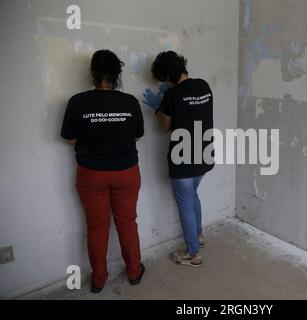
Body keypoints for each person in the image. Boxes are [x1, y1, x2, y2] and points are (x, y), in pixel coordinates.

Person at [61, 50, 145, 293]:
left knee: (96, 228)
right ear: (117, 74)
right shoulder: (130, 102)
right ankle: (134, 272)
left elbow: (68, 138)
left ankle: (98, 280)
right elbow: (137, 135)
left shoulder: (77, 102)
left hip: (91, 174)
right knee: (128, 223)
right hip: (126, 172)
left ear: (92, 74)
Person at [143, 51, 214, 268]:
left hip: (182, 157)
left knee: (185, 204)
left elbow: (165, 127)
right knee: (193, 195)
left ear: (167, 76)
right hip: (203, 152)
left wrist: (159, 107)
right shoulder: (203, 85)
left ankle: (193, 254)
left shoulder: (172, 96)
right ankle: (199, 235)